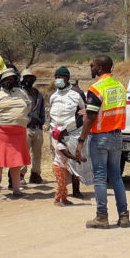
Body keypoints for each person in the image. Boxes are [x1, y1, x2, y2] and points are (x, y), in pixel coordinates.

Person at [76, 55, 129, 229]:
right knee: (116, 177)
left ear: (99, 68)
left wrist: (81, 140)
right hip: (117, 136)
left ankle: (102, 216)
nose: (90, 68)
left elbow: (91, 117)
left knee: (100, 177)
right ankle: (124, 215)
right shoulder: (120, 86)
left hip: (100, 137)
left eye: (92, 65)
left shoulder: (96, 88)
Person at [0, 68, 32, 198]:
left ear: (15, 80)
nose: (9, 81)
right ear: (1, 81)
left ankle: (16, 190)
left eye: (11, 79)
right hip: (0, 132)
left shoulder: (21, 93)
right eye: (6, 79)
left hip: (18, 133)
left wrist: (20, 118)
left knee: (16, 162)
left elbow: (28, 106)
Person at [49, 66, 86, 198]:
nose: (58, 80)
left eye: (60, 77)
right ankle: (62, 190)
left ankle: (76, 190)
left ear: (67, 78)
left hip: (72, 134)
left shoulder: (77, 94)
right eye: (56, 77)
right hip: (55, 134)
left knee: (74, 162)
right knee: (59, 162)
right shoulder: (54, 96)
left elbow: (85, 110)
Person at [20, 69, 46, 184]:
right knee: (23, 152)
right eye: (26, 78)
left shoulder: (38, 93)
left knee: (37, 153)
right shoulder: (19, 94)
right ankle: (20, 175)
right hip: (25, 128)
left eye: (30, 78)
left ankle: (35, 174)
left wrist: (42, 122)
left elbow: (42, 109)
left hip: (37, 127)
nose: (28, 81)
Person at [50, 126, 85, 206]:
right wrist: (77, 158)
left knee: (64, 183)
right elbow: (68, 155)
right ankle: (57, 200)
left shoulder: (64, 144)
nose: (67, 134)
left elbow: (69, 154)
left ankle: (64, 199)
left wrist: (77, 159)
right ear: (61, 136)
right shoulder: (60, 146)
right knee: (61, 184)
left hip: (62, 167)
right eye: (66, 133)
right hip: (58, 167)